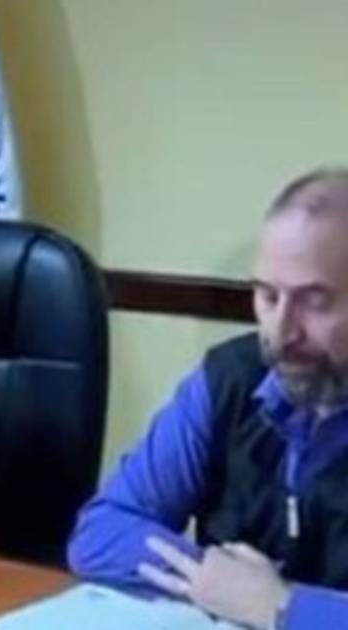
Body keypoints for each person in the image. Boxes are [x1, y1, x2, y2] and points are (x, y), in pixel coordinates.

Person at [68, 169, 348, 629]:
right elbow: (102, 531)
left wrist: (283, 608)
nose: (281, 332)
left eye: (314, 302)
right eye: (267, 295)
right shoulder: (229, 381)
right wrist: (216, 582)